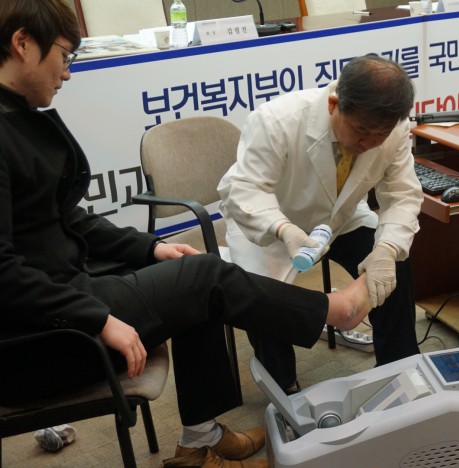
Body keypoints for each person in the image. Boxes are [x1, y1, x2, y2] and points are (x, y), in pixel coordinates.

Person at [0, 1, 371, 467]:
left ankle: (198, 440)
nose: (67, 73)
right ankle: (333, 311)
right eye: (64, 56)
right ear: (22, 43)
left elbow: (67, 219)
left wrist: (151, 247)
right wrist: (98, 319)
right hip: (38, 341)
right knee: (205, 277)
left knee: (191, 273)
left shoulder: (17, 115)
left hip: (62, 300)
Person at [217, 55, 424, 392]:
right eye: (360, 131)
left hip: (340, 216)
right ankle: (284, 388)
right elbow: (246, 189)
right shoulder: (277, 120)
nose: (369, 144)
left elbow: (402, 195)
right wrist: (284, 230)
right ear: (333, 104)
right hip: (272, 223)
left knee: (394, 265)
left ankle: (399, 367)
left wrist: (386, 249)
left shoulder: (394, 130)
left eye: (380, 135)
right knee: (262, 297)